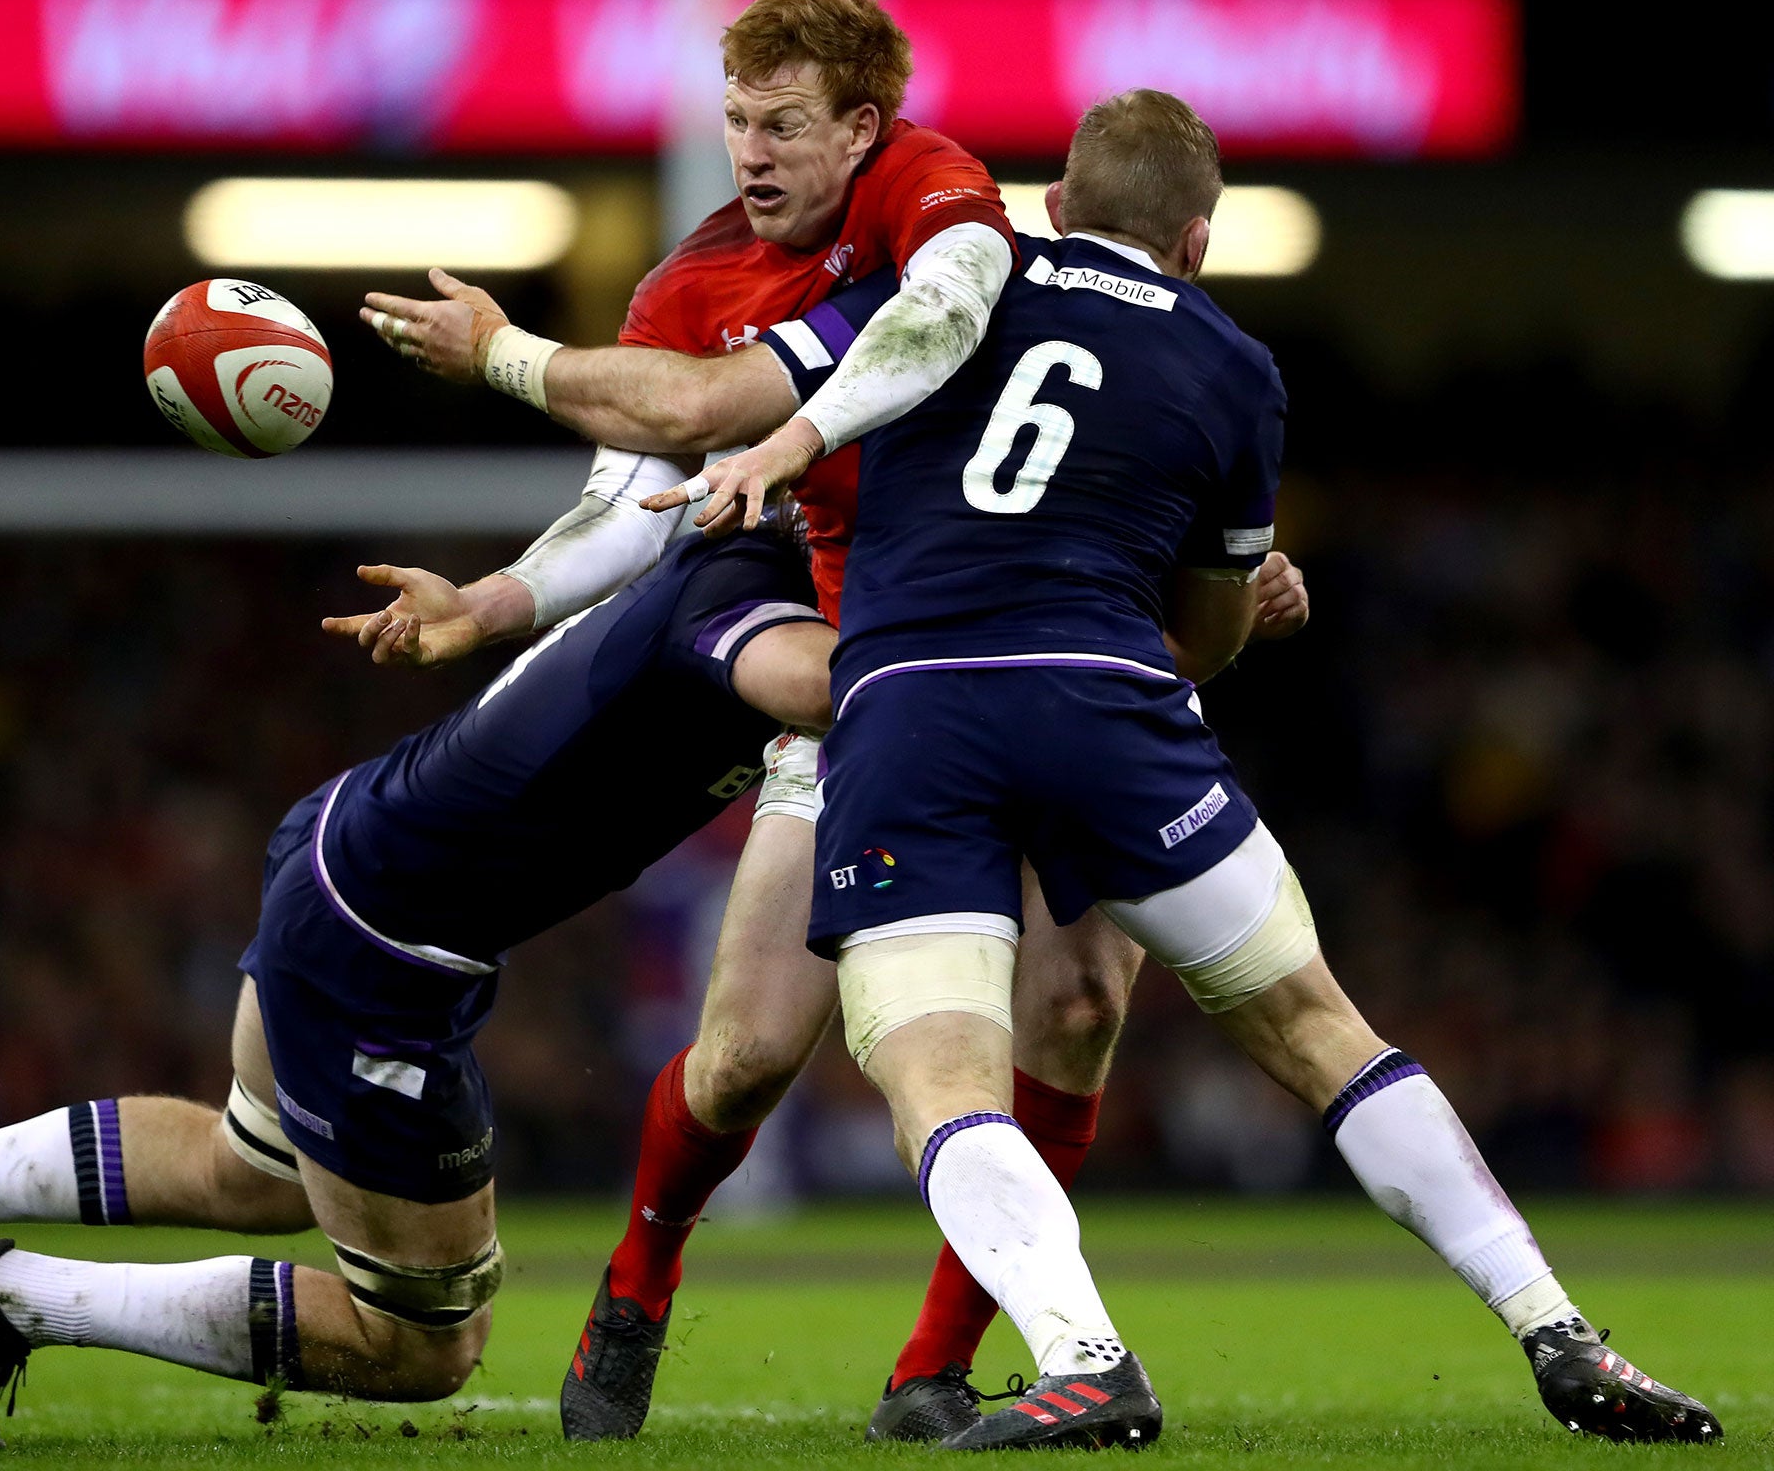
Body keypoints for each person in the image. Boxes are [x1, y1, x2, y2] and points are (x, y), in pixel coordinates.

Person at [646, 87, 1721, 1450]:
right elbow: (1206, 638)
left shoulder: (956, 273)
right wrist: (1234, 595)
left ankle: (1087, 1357)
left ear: (1050, 208)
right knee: (1325, 1030)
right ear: (1199, 241)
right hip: (1113, 701)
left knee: (942, 1078)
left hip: (915, 701)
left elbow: (831, 393)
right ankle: (1556, 1328)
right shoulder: (1232, 365)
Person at [353, 0, 1297, 1443]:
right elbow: (639, 496)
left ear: (865, 128)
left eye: (783, 123)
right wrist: (488, 606)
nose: (752, 151)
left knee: (1078, 1006)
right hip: (867, 687)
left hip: (1030, 665)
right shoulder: (690, 290)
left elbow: (1005, 360)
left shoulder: (941, 197)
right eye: (736, 121)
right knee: (745, 1054)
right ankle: (642, 1272)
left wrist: (1233, 556)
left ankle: (932, 1368)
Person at [0, 529, 832, 1443]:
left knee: (252, 1167)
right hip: (381, 949)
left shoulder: (746, 563)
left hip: (353, 859)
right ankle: (11, 1297)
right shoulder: (763, 594)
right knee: (420, 1343)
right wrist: (981, 652)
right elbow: (822, 681)